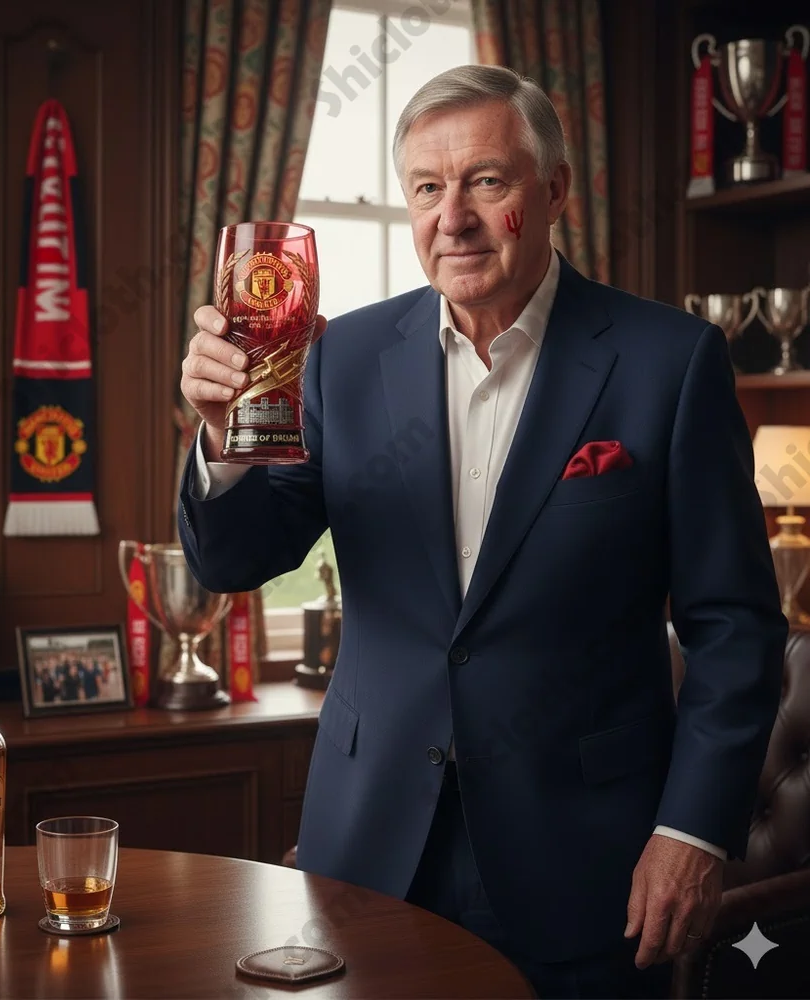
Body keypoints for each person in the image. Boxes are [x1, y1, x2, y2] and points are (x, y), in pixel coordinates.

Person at [176, 65, 787, 999]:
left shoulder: (669, 363)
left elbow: (737, 629)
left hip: (589, 863)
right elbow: (237, 558)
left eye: (486, 181)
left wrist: (692, 833)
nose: (450, 216)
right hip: (369, 849)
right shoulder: (339, 357)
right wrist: (222, 441)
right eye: (426, 188)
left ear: (555, 192)